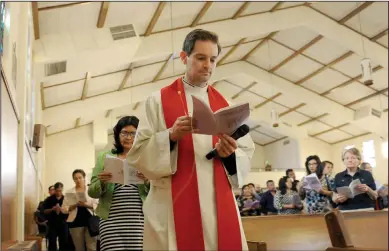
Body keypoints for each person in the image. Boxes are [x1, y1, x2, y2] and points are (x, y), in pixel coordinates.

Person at [127, 29, 255, 251]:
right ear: (184, 57)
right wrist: (170, 136)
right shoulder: (157, 101)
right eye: (201, 58)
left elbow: (246, 152)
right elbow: (138, 154)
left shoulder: (226, 103)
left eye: (213, 59)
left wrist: (229, 154)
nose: (208, 65)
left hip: (218, 207)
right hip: (172, 206)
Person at [88, 116, 149, 251]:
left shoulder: (145, 155)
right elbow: (92, 191)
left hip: (138, 220)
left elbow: (157, 190)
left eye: (133, 133)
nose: (128, 137)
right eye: (124, 133)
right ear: (117, 134)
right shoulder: (104, 156)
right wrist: (102, 183)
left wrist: (147, 180)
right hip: (110, 221)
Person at [62, 169, 98, 251]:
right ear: (73, 180)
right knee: (79, 248)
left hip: (90, 222)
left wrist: (85, 205)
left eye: (80, 177)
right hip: (75, 223)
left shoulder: (91, 190)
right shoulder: (69, 192)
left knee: (91, 247)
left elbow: (97, 205)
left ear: (84, 178)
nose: (78, 180)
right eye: (76, 178)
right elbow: (64, 209)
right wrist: (73, 206)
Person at [43, 182, 69, 251]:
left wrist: (63, 209)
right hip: (52, 224)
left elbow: (70, 210)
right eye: (57, 191)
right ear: (54, 190)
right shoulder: (49, 199)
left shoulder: (66, 199)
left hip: (63, 223)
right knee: (52, 243)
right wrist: (52, 209)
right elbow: (44, 211)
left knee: (64, 243)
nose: (59, 192)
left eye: (60, 191)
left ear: (62, 189)